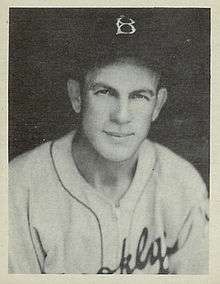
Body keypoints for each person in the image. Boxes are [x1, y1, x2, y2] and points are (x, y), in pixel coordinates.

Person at [9, 45, 209, 274]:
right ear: (76, 96)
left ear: (158, 105)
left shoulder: (183, 183)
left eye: (139, 96)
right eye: (104, 92)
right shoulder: (18, 187)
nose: (121, 116)